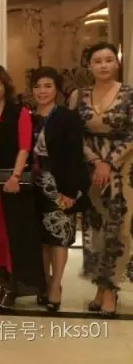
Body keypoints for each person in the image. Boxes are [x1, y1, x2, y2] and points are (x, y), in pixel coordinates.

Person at [0, 65, 45, 310]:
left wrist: (15, 176)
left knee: (12, 236)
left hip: (11, 186)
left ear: (5, 86)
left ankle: (13, 287)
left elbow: (24, 147)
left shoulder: (18, 112)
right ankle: (3, 285)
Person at [70, 43, 133, 318]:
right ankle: (99, 285)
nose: (104, 65)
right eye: (98, 61)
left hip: (122, 170)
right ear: (90, 66)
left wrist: (109, 162)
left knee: (118, 229)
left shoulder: (129, 94)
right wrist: (96, 161)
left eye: (109, 60)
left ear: (116, 63)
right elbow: (74, 133)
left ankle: (111, 289)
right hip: (91, 169)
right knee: (94, 228)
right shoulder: (78, 96)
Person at [30, 67, 89, 312]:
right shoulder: (27, 116)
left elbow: (75, 156)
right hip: (33, 184)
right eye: (37, 86)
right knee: (41, 239)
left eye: (48, 86)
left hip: (59, 184)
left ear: (56, 89)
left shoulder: (67, 117)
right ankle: (45, 283)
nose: (42, 91)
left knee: (59, 237)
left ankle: (55, 286)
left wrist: (70, 191)